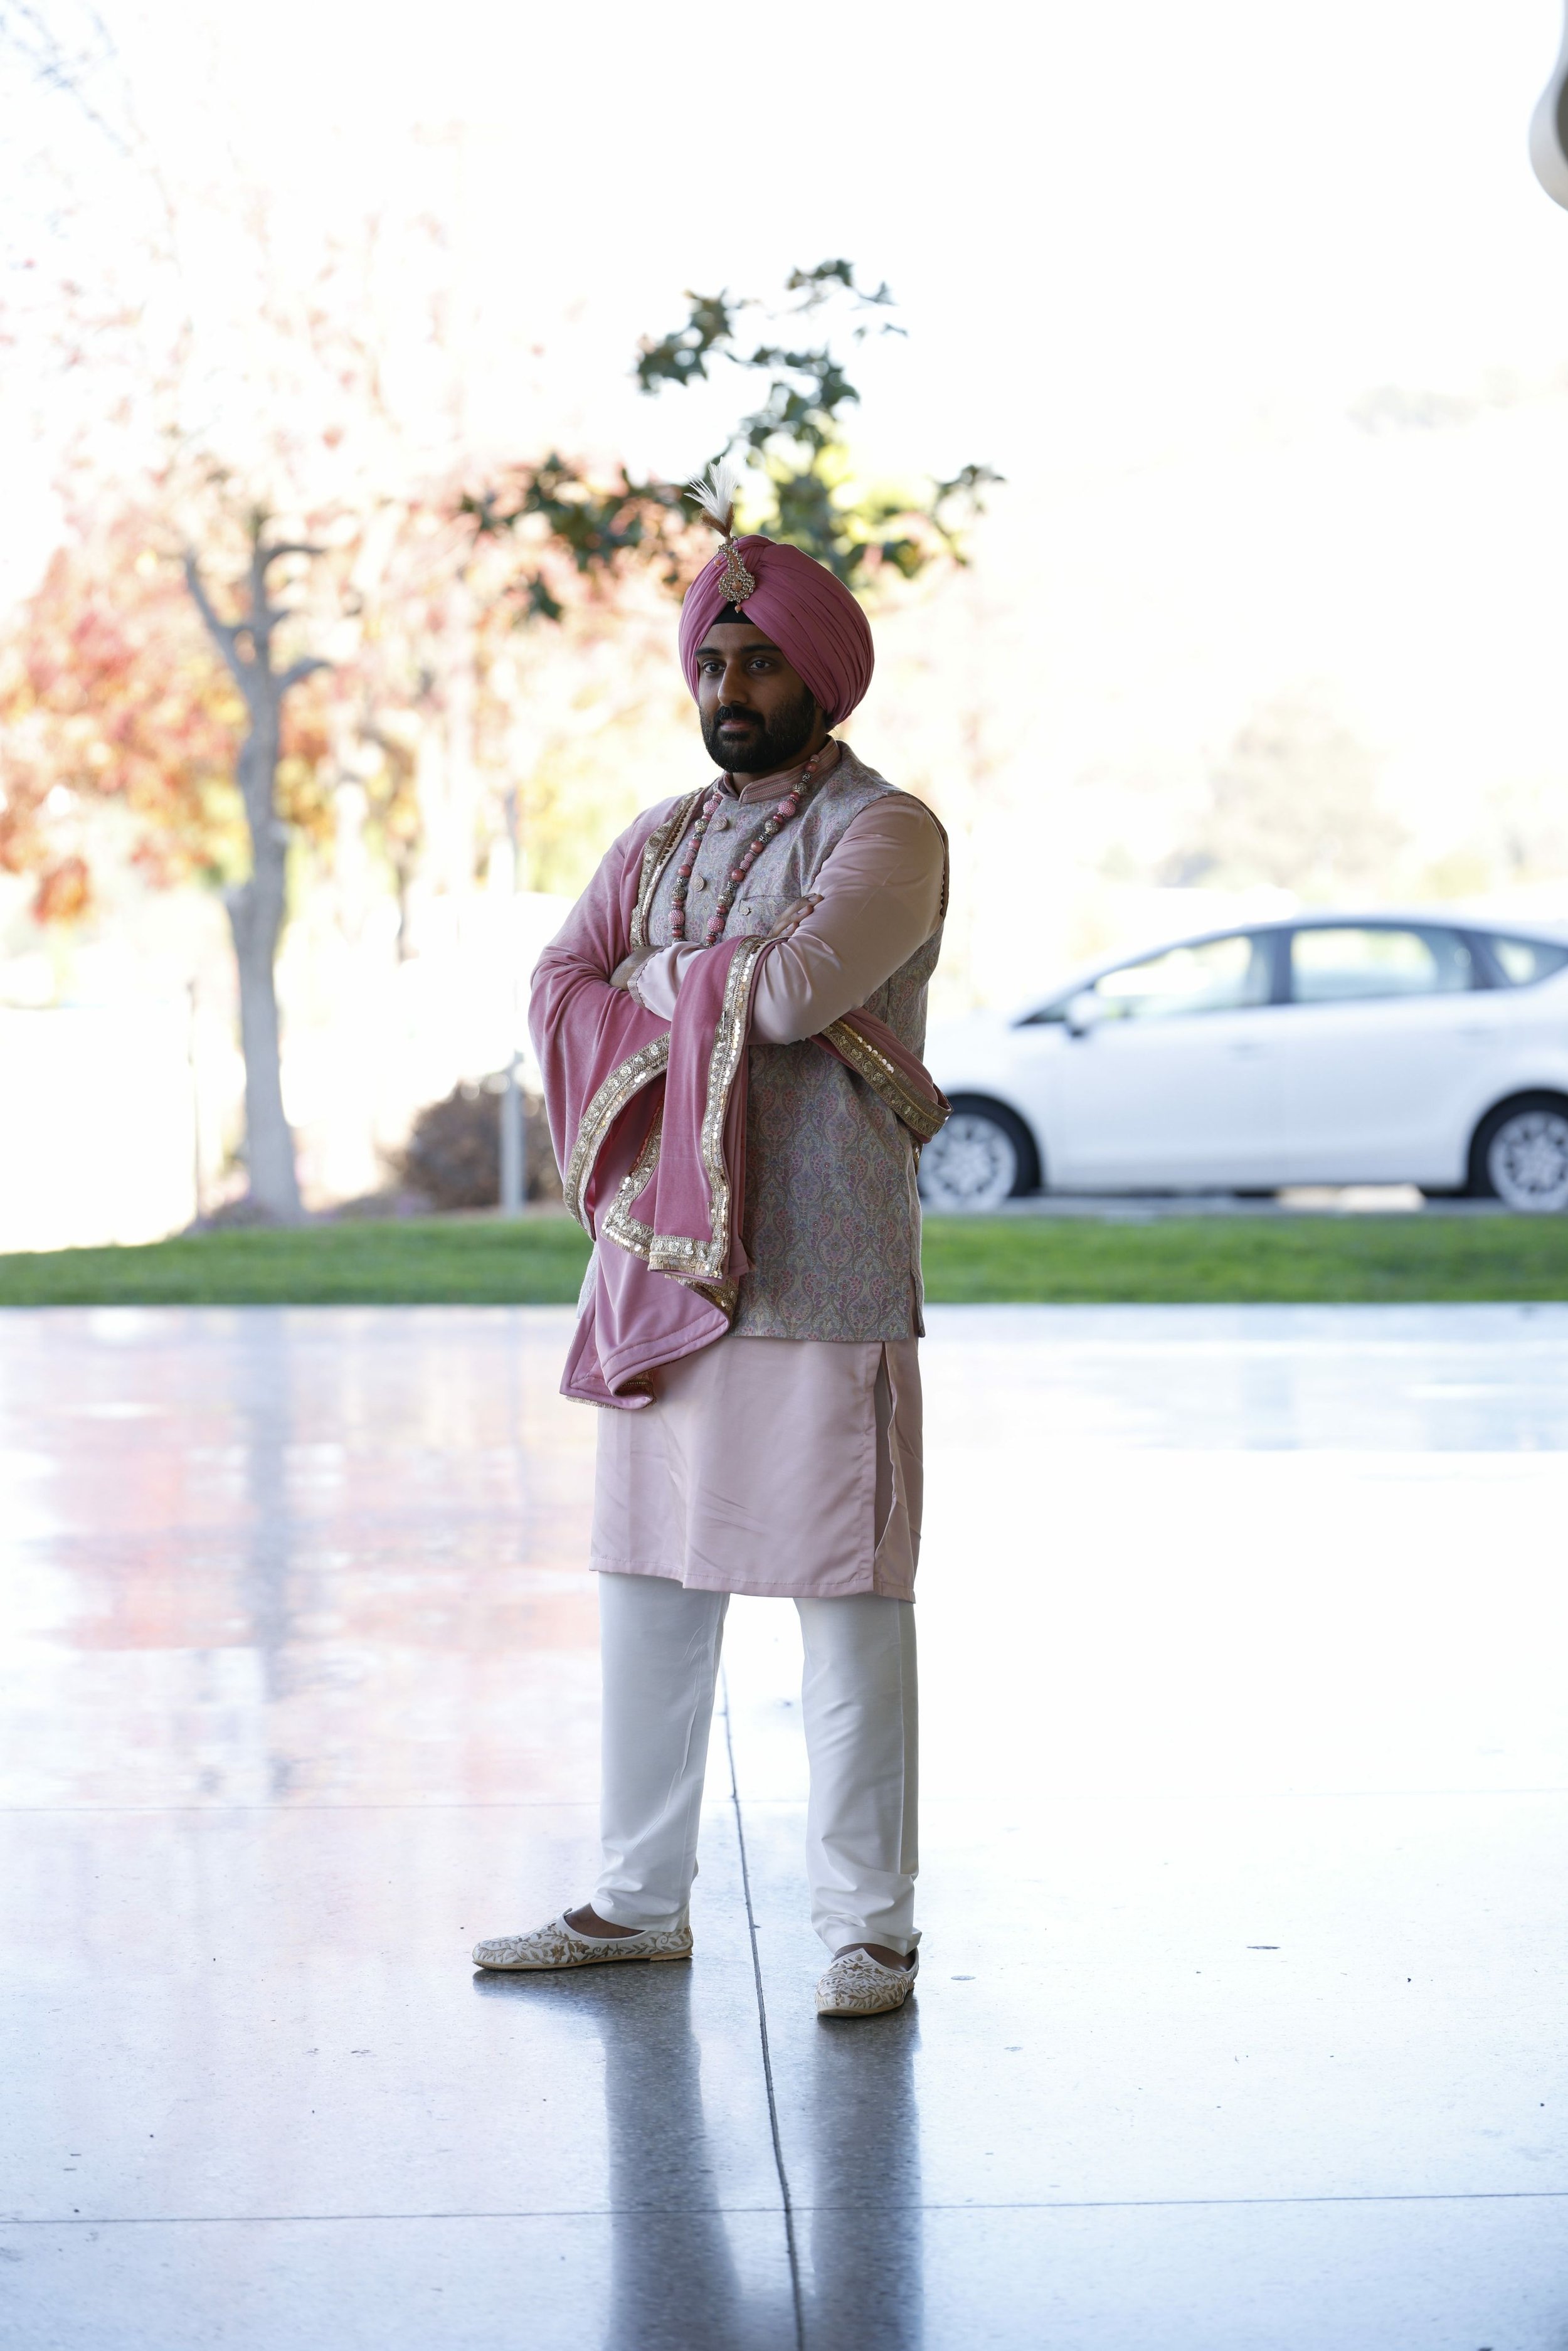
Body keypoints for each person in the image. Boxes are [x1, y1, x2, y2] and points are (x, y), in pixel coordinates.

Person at [472, 480, 948, 2018]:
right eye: (709, 664)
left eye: (754, 664)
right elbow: (557, 975)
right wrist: (700, 968)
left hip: (820, 1271)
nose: (725, 691)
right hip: (663, 1266)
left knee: (843, 1602)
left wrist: (655, 970)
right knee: (647, 1587)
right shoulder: (661, 834)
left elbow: (805, 991)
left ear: (820, 674)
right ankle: (631, 1899)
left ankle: (867, 1927)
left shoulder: (888, 830)